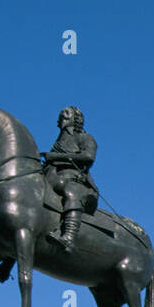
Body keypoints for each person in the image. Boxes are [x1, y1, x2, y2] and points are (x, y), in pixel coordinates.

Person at [43, 106, 99, 252]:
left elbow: (88, 157)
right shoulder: (58, 142)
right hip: (52, 177)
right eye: (61, 114)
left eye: (66, 114)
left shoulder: (85, 138)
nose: (62, 116)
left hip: (74, 180)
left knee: (71, 192)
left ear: (76, 119)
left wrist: (56, 157)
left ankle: (69, 236)